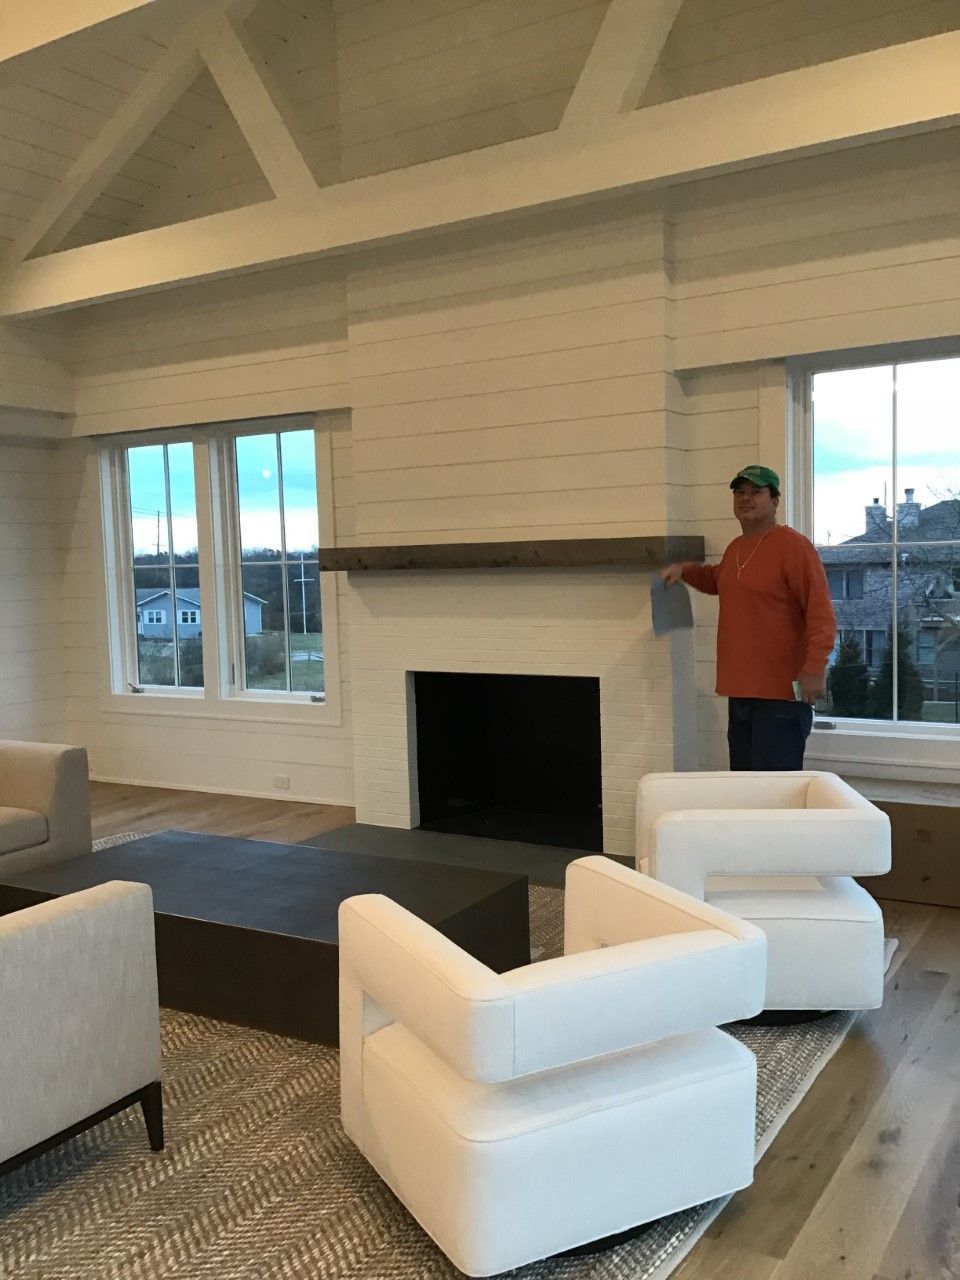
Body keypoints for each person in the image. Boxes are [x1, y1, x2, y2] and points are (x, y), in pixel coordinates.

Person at [662, 464, 836, 770]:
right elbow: (718, 580)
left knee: (772, 792)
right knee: (744, 785)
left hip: (781, 695)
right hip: (740, 691)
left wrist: (815, 668)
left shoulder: (793, 546)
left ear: (775, 501)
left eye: (756, 492)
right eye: (740, 492)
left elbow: (820, 611)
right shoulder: (736, 549)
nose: (746, 498)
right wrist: (685, 571)